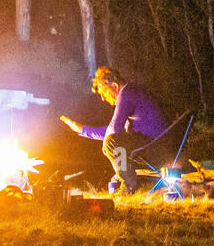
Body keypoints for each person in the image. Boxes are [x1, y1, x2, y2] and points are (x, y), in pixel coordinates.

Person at [60, 66, 167, 194]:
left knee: (111, 142)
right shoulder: (131, 92)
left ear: (115, 86)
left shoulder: (126, 94)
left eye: (103, 93)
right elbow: (114, 130)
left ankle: (128, 186)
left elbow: (113, 130)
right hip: (156, 144)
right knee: (113, 141)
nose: (103, 99)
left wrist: (89, 134)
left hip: (155, 147)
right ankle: (127, 181)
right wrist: (83, 130)